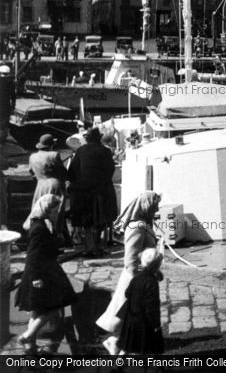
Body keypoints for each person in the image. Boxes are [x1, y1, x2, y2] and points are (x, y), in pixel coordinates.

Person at [97, 191, 161, 355]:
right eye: (155, 206)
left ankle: (118, 343)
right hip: (135, 279)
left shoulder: (142, 224)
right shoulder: (137, 227)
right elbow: (131, 260)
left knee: (128, 315)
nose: (157, 209)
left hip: (140, 277)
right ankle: (117, 343)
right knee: (131, 314)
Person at [16, 194, 77, 353]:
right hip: (41, 273)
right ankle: (28, 335)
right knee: (54, 306)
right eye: (55, 209)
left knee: (37, 309)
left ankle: (31, 347)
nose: (57, 212)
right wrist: (36, 278)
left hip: (45, 270)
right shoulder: (39, 228)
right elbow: (33, 255)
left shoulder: (41, 223)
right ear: (47, 209)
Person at [67, 127, 117, 257]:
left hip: (84, 192)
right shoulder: (105, 151)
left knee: (87, 222)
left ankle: (90, 247)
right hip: (101, 191)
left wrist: (81, 182)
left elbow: (71, 172)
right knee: (100, 220)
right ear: (99, 138)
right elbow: (110, 171)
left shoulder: (81, 151)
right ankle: (95, 247)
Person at [117, 248, 164, 355]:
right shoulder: (152, 283)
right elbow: (152, 305)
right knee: (153, 346)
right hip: (145, 321)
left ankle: (116, 366)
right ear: (157, 266)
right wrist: (156, 323)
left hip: (131, 317)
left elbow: (127, 293)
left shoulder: (136, 278)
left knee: (126, 347)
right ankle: (160, 366)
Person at [29, 134, 69, 244]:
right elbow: (62, 172)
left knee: (40, 211)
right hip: (54, 184)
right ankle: (55, 239)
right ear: (51, 145)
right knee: (56, 212)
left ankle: (40, 237)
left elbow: (31, 173)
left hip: (40, 185)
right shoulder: (54, 155)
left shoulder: (32, 157)